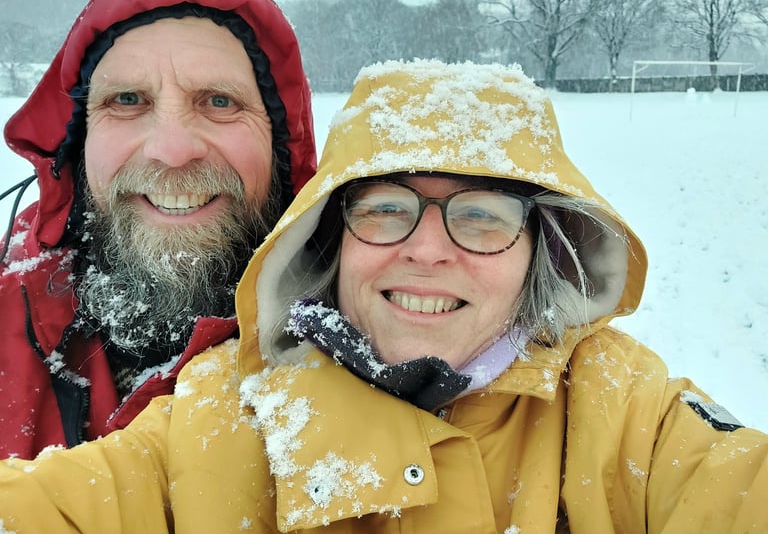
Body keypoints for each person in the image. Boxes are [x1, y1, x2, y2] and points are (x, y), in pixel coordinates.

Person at [1, 59, 766, 533]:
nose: (427, 247)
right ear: (332, 236)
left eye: (482, 215)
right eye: (386, 207)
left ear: (542, 246)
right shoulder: (216, 420)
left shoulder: (626, 409)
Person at [0, 0, 316, 459]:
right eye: (127, 99)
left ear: (282, 147)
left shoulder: (376, 330)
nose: (171, 150)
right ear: (76, 144)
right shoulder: (6, 309)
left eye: (218, 101)